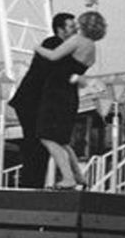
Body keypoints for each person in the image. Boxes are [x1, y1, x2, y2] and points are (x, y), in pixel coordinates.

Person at [34, 10, 108, 189]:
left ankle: (68, 178)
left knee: (47, 137)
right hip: (70, 95)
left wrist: (37, 48)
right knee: (62, 140)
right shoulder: (92, 49)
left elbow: (53, 56)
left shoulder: (76, 41)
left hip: (56, 93)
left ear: (82, 25)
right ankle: (79, 176)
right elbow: (76, 73)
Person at [10, 12, 76, 188]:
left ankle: (33, 184)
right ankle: (31, 185)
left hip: (35, 101)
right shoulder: (53, 44)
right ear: (60, 29)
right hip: (32, 102)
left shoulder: (59, 47)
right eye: (71, 26)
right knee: (36, 143)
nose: (75, 29)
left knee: (40, 143)